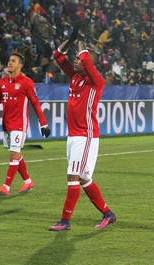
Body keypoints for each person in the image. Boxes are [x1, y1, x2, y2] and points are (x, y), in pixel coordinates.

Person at [48, 30, 116, 231]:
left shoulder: (95, 80)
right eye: (75, 58)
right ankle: (108, 214)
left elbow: (86, 59)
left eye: (78, 58)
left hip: (85, 136)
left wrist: (80, 41)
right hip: (73, 135)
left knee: (73, 176)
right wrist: (70, 38)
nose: (75, 60)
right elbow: (57, 56)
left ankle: (65, 220)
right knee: (84, 178)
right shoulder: (76, 77)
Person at [0, 53, 51, 196]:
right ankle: (28, 181)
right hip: (6, 124)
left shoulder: (27, 82)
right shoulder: (3, 82)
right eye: (9, 60)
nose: (10, 62)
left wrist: (43, 124)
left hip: (19, 123)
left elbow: (35, 103)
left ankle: (6, 186)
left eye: (13, 61)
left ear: (20, 66)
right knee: (15, 154)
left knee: (14, 154)